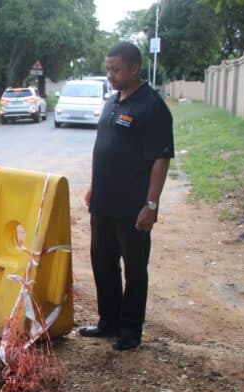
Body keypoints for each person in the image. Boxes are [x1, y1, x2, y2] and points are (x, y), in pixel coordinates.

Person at [79, 41, 174, 351]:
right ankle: (109, 321)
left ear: (135, 68)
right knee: (102, 263)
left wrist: (151, 205)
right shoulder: (112, 101)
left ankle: (131, 330)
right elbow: (103, 149)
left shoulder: (152, 107)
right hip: (103, 203)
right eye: (108, 69)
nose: (111, 75)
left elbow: (160, 159)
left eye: (116, 69)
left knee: (134, 270)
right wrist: (94, 185)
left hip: (132, 206)